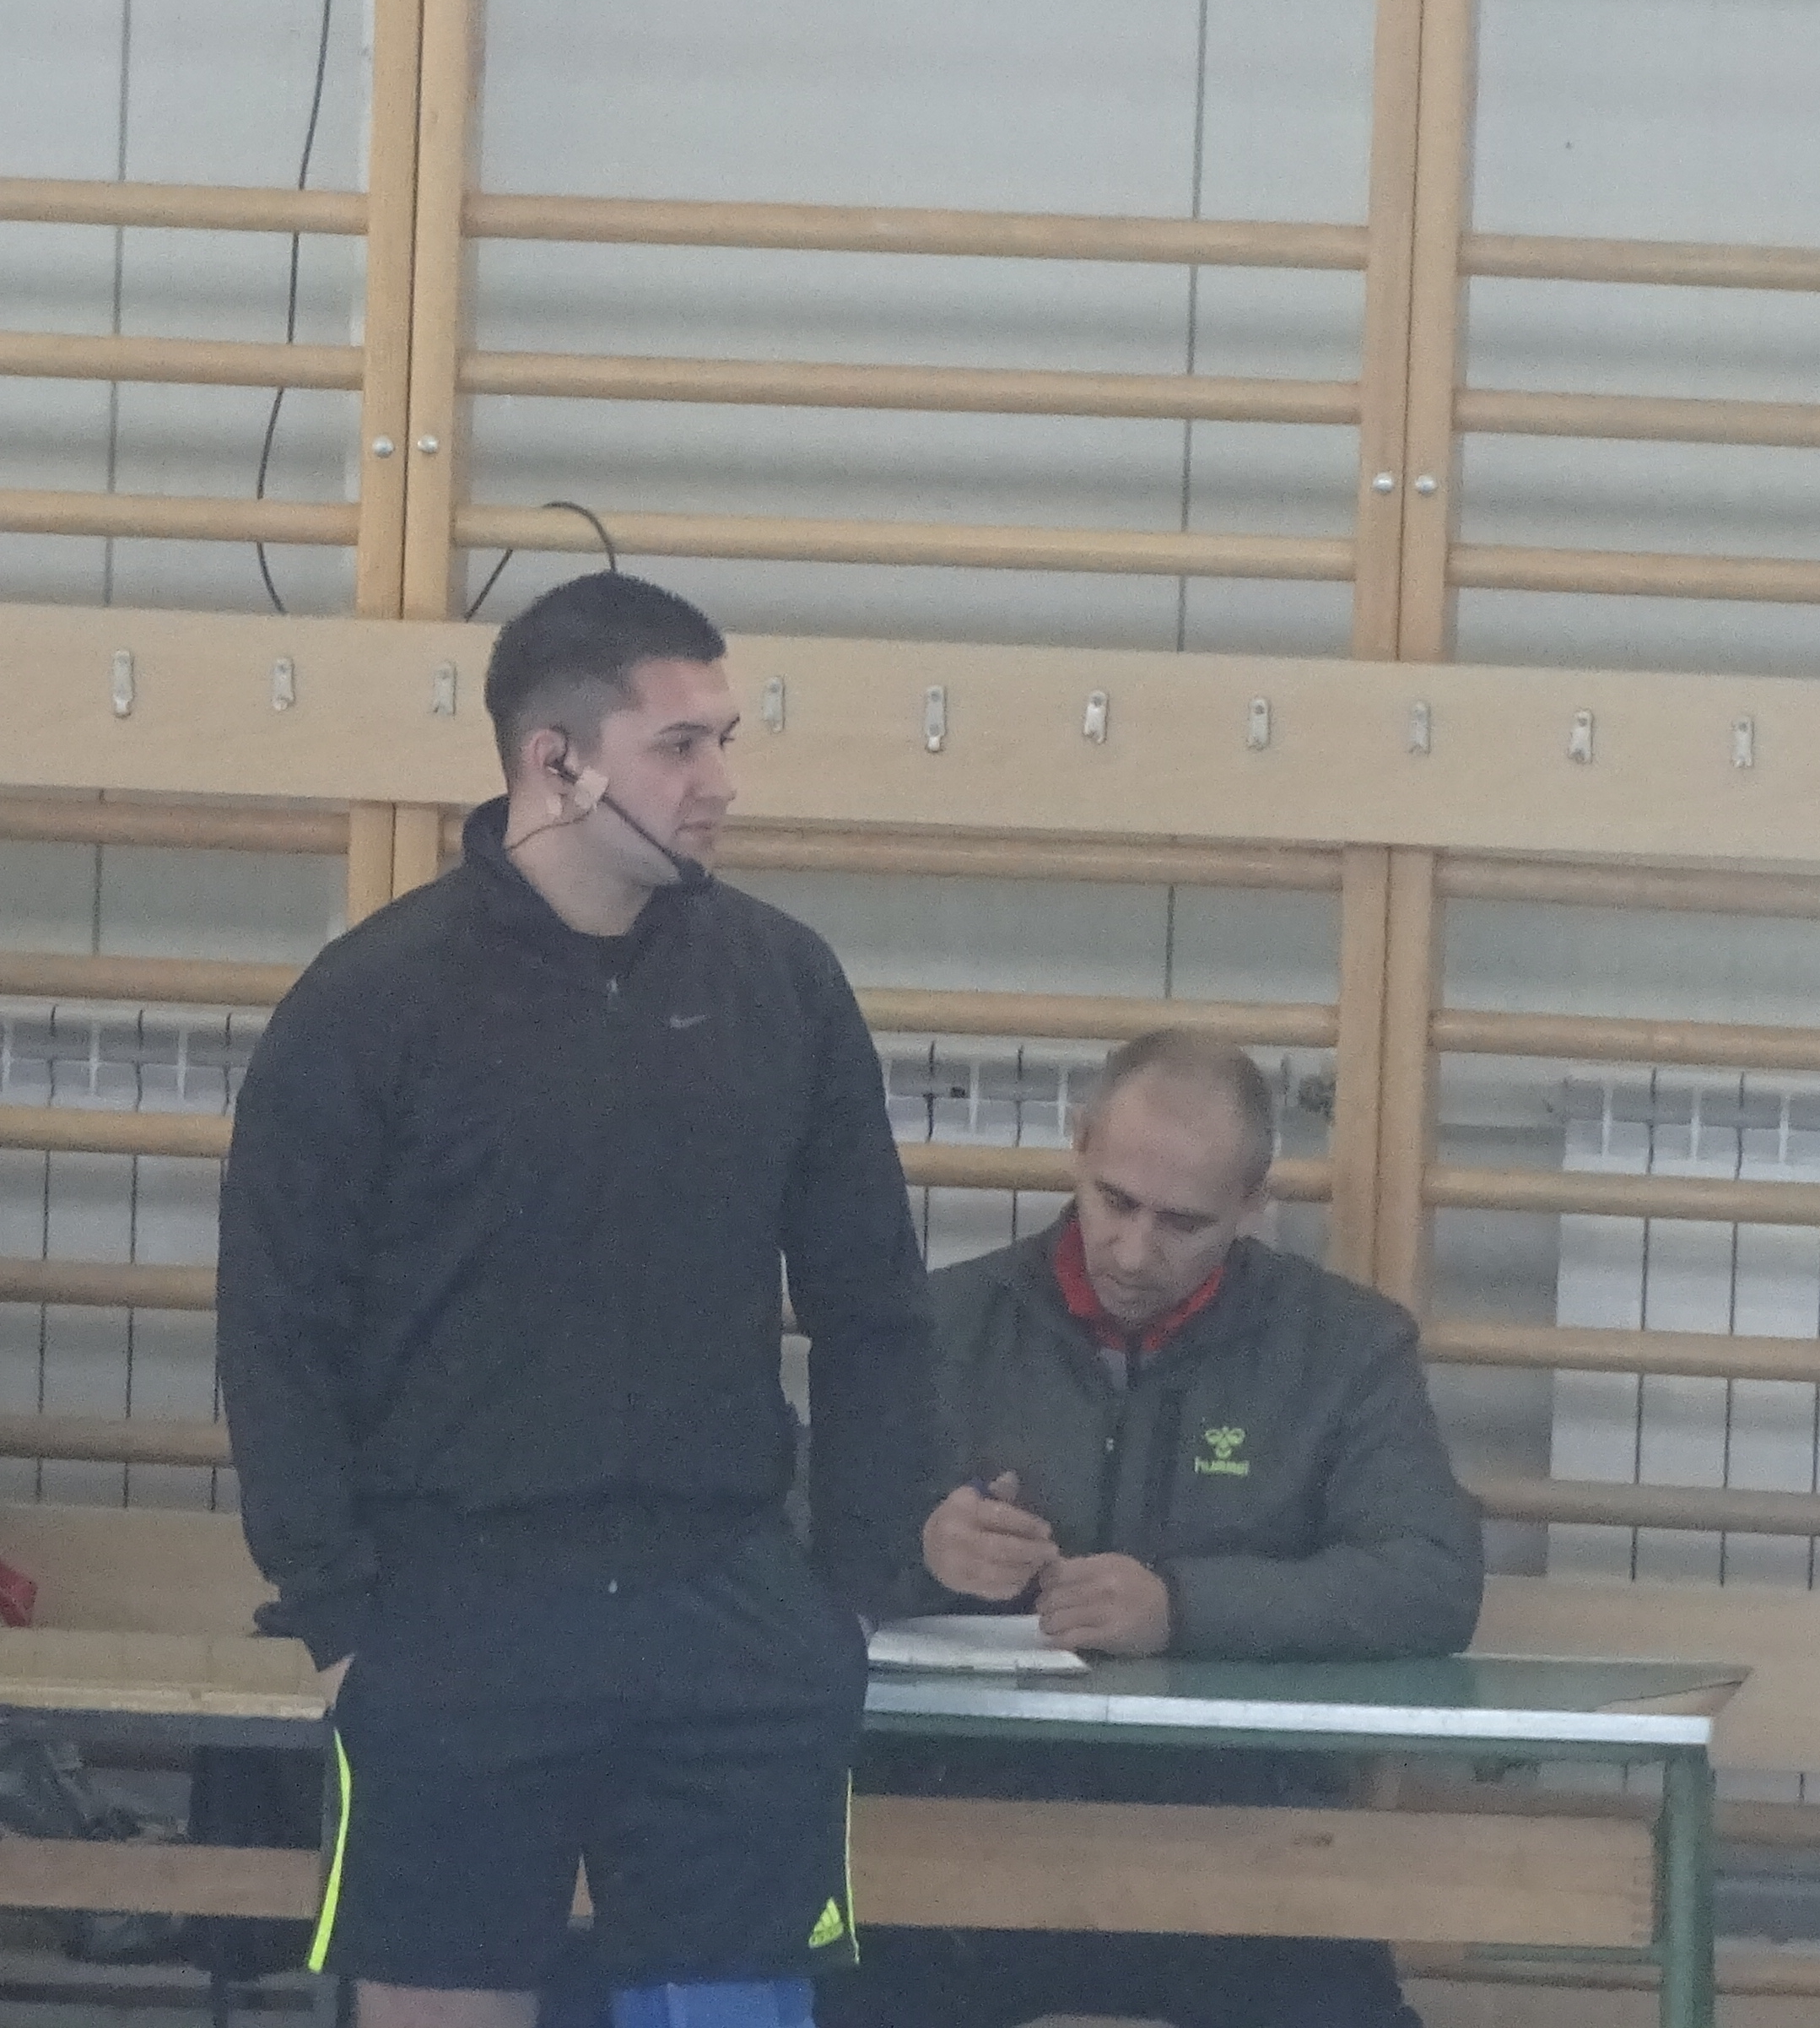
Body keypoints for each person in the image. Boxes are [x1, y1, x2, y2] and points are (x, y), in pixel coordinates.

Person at [217, 571, 942, 2028]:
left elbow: (874, 1304)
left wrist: (849, 1595)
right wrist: (342, 1614)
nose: (721, 782)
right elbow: (276, 1328)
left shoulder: (784, 984)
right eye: (679, 745)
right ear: (556, 760)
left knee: (731, 2008)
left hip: (727, 1610)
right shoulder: (372, 1002)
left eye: (725, 740)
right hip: (454, 1612)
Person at [860, 1031, 1482, 2028]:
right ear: (1078, 1146)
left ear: (1253, 1204)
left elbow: (1429, 1575)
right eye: (1115, 1200)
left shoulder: (1346, 1347)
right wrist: (921, 1544)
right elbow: (791, 1527)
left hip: (1243, 1836)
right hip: (965, 1828)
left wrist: (1181, 1606)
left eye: (1183, 1222)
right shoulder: (946, 1322)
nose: (1134, 1250)